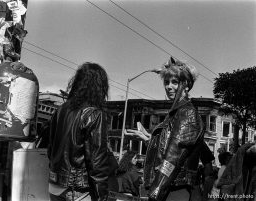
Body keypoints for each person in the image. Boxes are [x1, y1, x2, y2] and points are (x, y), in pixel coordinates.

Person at [125, 57, 214, 201]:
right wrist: (149, 138)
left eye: (174, 82)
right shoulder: (176, 113)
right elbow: (170, 148)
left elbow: (173, 157)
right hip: (171, 187)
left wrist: (156, 190)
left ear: (186, 85)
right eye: (166, 82)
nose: (169, 86)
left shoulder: (186, 113)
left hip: (175, 190)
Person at [48, 62, 110, 201]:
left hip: (55, 185)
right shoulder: (94, 114)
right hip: (78, 190)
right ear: (100, 87)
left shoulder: (61, 110)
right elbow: (97, 163)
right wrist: (102, 197)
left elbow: (50, 149)